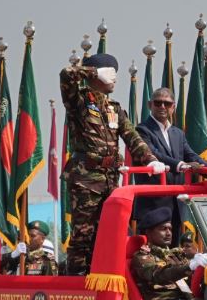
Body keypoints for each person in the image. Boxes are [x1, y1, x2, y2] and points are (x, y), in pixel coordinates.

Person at [61, 52, 164, 275]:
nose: (115, 79)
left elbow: (132, 137)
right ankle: (77, 281)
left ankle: (100, 276)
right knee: (83, 236)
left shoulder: (114, 108)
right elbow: (66, 75)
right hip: (86, 179)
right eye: (111, 73)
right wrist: (92, 71)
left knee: (108, 232)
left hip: (109, 179)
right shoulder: (78, 101)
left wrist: (151, 159)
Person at [134, 87, 207, 234]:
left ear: (174, 107)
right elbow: (154, 153)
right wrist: (180, 165)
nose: (162, 107)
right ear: (149, 105)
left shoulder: (177, 133)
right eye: (158, 103)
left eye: (167, 103)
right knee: (151, 253)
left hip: (176, 204)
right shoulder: (141, 130)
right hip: (153, 206)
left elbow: (191, 155)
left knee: (174, 253)